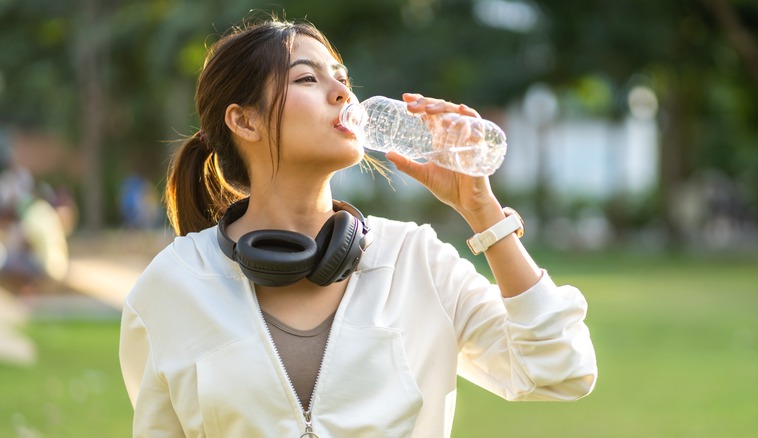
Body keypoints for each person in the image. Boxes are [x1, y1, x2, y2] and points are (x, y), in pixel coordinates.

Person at [119, 16, 597, 437]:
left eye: (343, 78)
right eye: (307, 78)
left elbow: (561, 368)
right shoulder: (171, 287)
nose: (343, 92)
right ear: (244, 121)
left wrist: (481, 209)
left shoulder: (416, 260)